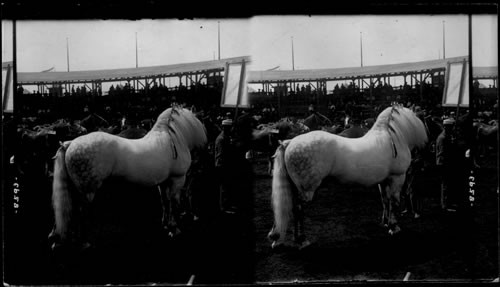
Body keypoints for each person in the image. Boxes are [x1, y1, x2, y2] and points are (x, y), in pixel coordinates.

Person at [435, 117, 462, 211]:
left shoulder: (448, 136)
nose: (453, 128)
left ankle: (448, 203)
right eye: (451, 126)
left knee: (449, 184)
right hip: (444, 164)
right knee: (445, 185)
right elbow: (442, 153)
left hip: (447, 163)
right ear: (447, 127)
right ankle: (445, 205)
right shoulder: (442, 138)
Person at [215, 119, 237, 214]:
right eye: (229, 127)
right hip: (222, 166)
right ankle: (224, 207)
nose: (231, 129)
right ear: (225, 128)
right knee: (224, 188)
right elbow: (221, 155)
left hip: (226, 165)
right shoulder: (221, 139)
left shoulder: (226, 137)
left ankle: (228, 205)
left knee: (228, 187)